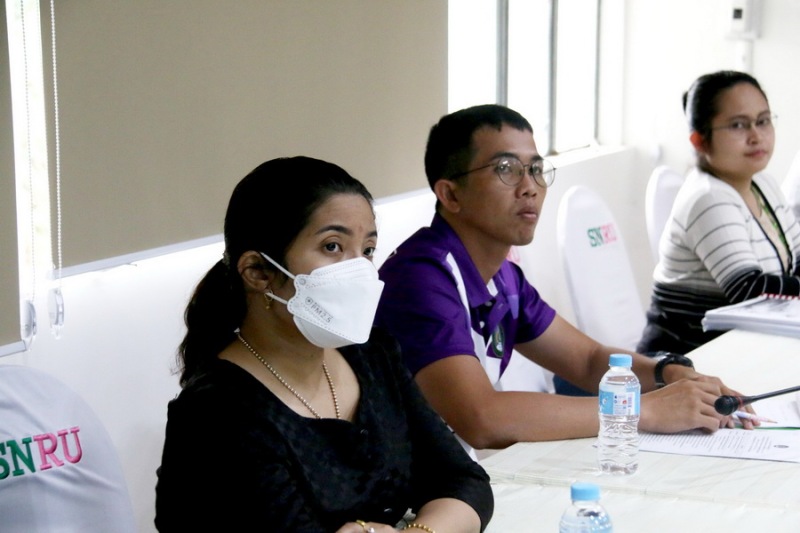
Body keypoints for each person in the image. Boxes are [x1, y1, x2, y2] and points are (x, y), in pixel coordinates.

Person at [375, 104, 753, 455]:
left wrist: (666, 372)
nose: (530, 187)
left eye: (536, 169)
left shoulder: (503, 276)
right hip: (398, 491)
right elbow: (481, 418)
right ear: (451, 194)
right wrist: (642, 409)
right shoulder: (420, 279)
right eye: (506, 169)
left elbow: (587, 361)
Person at [154, 156, 493, 533]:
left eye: (367, 250)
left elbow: (464, 480)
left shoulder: (372, 355)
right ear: (258, 272)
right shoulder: (218, 411)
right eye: (332, 246)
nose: (360, 270)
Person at [638, 70, 800, 355]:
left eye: (763, 121)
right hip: (683, 362)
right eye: (738, 125)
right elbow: (748, 289)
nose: (756, 136)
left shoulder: (763, 184)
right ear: (699, 141)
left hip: (742, 352)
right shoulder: (708, 197)